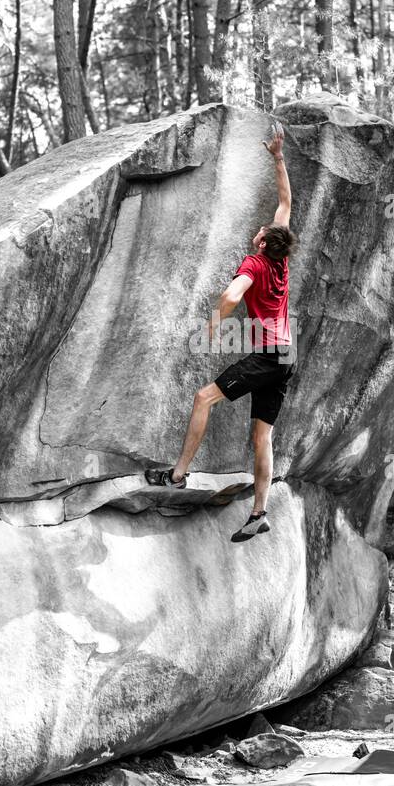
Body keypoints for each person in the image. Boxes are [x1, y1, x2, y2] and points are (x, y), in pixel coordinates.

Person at [145, 123, 297, 543]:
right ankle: (259, 511)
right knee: (261, 435)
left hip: (269, 356)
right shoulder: (281, 258)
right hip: (287, 357)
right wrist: (277, 157)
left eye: (263, 232)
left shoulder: (255, 264)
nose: (261, 229)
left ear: (263, 243)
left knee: (203, 398)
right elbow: (285, 201)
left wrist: (215, 321)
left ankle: (177, 475)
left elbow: (232, 295)